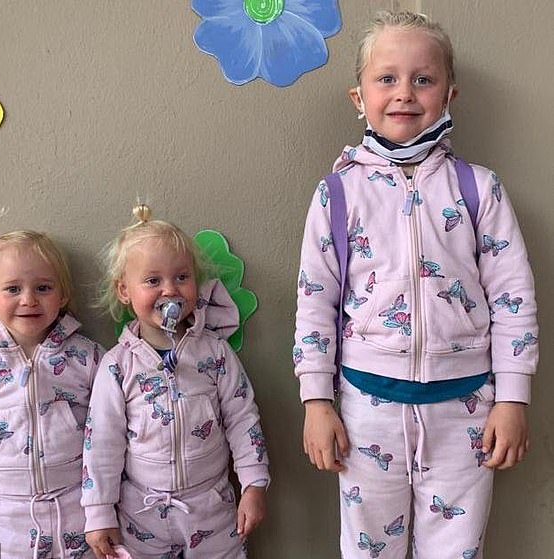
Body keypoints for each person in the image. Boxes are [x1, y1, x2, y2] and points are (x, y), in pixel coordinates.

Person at [293, 11, 538, 559]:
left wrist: (512, 399)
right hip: (365, 407)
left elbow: (513, 299)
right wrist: (316, 401)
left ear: (448, 94)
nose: (404, 93)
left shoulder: (480, 190)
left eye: (422, 79)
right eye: (387, 78)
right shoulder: (337, 194)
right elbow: (315, 301)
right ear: (359, 97)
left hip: (468, 409)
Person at [82, 205, 269, 559]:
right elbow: (101, 444)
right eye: (153, 281)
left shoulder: (214, 353)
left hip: (212, 508)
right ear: (124, 291)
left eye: (181, 277)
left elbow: (243, 418)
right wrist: (98, 512)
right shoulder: (117, 366)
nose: (170, 290)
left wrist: (254, 484)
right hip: (141, 515)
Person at [0, 211, 102, 559]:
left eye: (43, 288)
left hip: (78, 502)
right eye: (13, 289)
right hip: (8, 511)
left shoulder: (87, 357)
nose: (28, 299)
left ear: (62, 296)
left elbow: (112, 414)